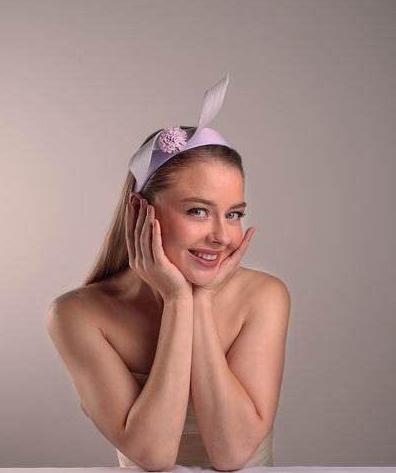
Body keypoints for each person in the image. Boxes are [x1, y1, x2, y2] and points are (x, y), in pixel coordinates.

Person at [47, 76, 290, 471]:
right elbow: (154, 456)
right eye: (198, 211)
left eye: (233, 214)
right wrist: (179, 301)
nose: (223, 236)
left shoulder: (264, 296)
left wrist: (202, 299)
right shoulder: (77, 314)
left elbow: (231, 454)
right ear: (139, 211)